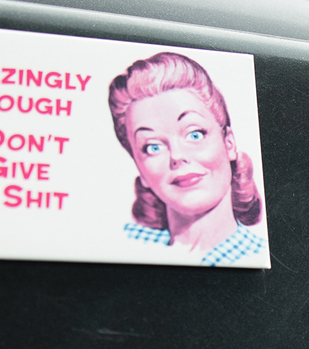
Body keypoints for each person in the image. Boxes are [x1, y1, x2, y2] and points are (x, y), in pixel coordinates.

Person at [107, 51, 266, 266]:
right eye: (153, 147)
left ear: (228, 143)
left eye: (195, 134)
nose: (177, 156)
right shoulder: (121, 245)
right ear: (139, 167)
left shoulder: (256, 255)